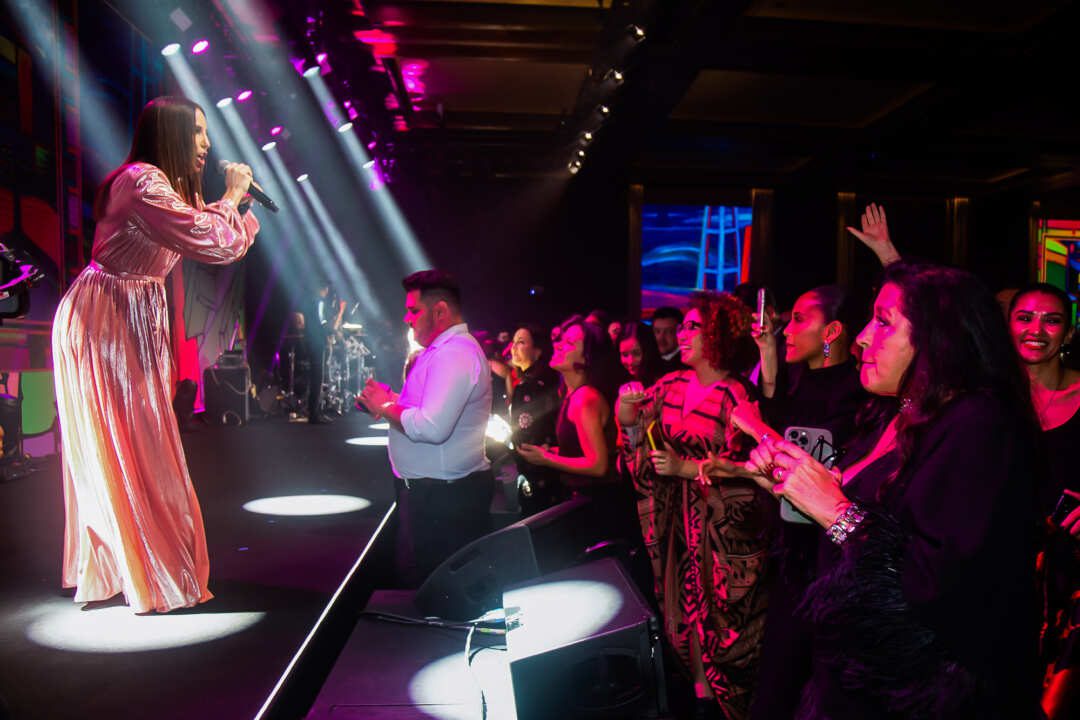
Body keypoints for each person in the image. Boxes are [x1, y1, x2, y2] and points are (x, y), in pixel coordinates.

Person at [746, 262, 1040, 718]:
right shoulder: (892, 413)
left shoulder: (979, 424)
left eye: (883, 322)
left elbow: (936, 585)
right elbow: (840, 552)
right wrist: (794, 493)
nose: (862, 336)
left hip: (919, 697)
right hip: (852, 677)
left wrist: (836, 510)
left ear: (937, 337)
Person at [52, 96, 259, 614]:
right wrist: (232, 196)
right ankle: (151, 569)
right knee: (134, 442)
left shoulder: (157, 187)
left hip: (129, 310)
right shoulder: (142, 181)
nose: (207, 145)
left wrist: (238, 206)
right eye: (197, 133)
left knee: (136, 439)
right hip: (105, 316)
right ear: (168, 134)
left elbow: (213, 237)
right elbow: (210, 238)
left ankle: (133, 564)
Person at [617, 291, 770, 719]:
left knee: (719, 618)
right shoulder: (669, 386)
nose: (680, 335)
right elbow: (635, 438)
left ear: (717, 334)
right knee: (679, 613)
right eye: (681, 327)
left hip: (719, 535)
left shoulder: (737, 394)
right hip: (674, 525)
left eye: (692, 327)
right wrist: (628, 417)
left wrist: (687, 467)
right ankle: (699, 694)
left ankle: (722, 704)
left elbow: (749, 469)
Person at [745, 284, 867, 720]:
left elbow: (804, 464)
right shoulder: (807, 380)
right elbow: (783, 422)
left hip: (825, 560)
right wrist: (768, 352)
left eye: (799, 319)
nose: (786, 328)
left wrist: (753, 428)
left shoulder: (854, 391)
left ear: (832, 330)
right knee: (778, 678)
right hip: (795, 552)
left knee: (796, 682)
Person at [358, 270, 493, 587]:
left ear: (441, 311)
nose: (407, 318)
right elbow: (426, 409)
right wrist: (389, 398)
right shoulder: (443, 352)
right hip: (439, 493)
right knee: (430, 586)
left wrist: (385, 407)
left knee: (437, 591)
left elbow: (432, 428)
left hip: (446, 499)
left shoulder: (454, 354)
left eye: (414, 310)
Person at [1007, 283, 1080, 719]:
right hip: (1005, 575)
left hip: (1070, 584)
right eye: (1024, 317)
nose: (1037, 329)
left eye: (1051, 319)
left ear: (1067, 334)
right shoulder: (990, 399)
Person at [503, 323, 561, 515]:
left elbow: (525, 436)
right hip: (551, 471)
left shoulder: (530, 387)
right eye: (513, 342)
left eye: (521, 342)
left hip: (537, 473)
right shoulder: (546, 381)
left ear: (537, 352)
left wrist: (516, 460)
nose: (513, 347)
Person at [302, 280, 342, 424]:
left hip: (311, 341)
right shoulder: (319, 302)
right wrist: (333, 332)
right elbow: (322, 321)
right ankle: (314, 414)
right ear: (323, 289)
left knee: (316, 377)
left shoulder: (310, 302)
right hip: (316, 343)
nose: (327, 292)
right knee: (317, 377)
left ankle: (314, 412)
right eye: (326, 289)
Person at [617, 321, 664, 389]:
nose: (630, 361)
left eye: (636, 353)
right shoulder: (620, 380)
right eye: (625, 355)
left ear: (649, 351)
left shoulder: (662, 383)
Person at [651, 305, 685, 375]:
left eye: (669, 331)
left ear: (680, 332)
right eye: (657, 331)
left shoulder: (686, 366)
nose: (661, 337)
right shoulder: (648, 362)